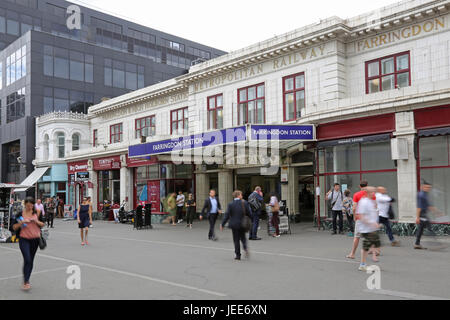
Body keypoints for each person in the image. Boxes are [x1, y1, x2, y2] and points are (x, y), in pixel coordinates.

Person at [12, 197, 46, 291]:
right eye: (27, 205)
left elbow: (43, 224)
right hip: (24, 239)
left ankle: (27, 280)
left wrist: (36, 221)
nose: (29, 207)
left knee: (30, 260)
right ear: (25, 205)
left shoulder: (37, 213)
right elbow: (14, 227)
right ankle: (26, 281)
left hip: (35, 239)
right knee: (27, 259)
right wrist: (22, 222)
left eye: (31, 205)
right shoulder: (20, 214)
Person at [220, 190, 251, 261]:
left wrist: (222, 224)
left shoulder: (231, 204)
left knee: (236, 240)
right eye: (241, 194)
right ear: (238, 195)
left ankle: (238, 255)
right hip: (243, 224)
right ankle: (245, 248)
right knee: (243, 237)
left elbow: (227, 215)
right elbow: (249, 213)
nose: (242, 196)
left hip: (234, 224)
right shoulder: (244, 203)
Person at [357, 187, 381, 271]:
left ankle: (365, 263)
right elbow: (361, 216)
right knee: (366, 247)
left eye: (374, 192)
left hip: (371, 228)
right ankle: (362, 265)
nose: (373, 194)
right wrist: (372, 223)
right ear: (367, 193)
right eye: (372, 192)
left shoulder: (370, 201)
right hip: (366, 229)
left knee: (371, 245)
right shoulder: (363, 202)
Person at [347, 181, 372, 259]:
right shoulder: (371, 194)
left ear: (359, 186)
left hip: (360, 218)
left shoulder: (356, 194)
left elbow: (354, 208)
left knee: (357, 236)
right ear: (367, 185)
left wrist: (354, 216)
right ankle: (373, 250)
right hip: (368, 218)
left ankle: (352, 253)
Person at [415, 182, 442, 250]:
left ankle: (417, 244)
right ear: (422, 187)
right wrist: (417, 217)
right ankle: (435, 244)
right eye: (427, 187)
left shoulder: (425, 194)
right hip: (422, 214)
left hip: (424, 214)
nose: (428, 189)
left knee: (420, 230)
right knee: (429, 228)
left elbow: (429, 205)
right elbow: (419, 207)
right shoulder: (421, 195)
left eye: (429, 187)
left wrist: (437, 212)